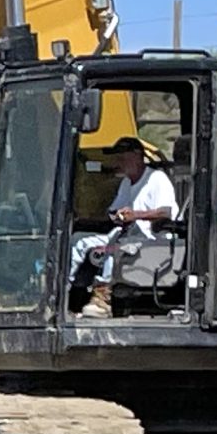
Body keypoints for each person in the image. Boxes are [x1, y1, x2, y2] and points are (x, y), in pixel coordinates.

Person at [71, 136, 180, 318]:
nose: (117, 162)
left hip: (152, 240)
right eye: (117, 158)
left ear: (137, 157)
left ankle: (103, 298)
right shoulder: (126, 183)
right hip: (126, 233)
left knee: (116, 247)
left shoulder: (156, 179)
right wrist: (115, 216)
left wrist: (135, 215)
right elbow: (114, 210)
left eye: (122, 157)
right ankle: (70, 292)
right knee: (79, 240)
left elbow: (166, 212)